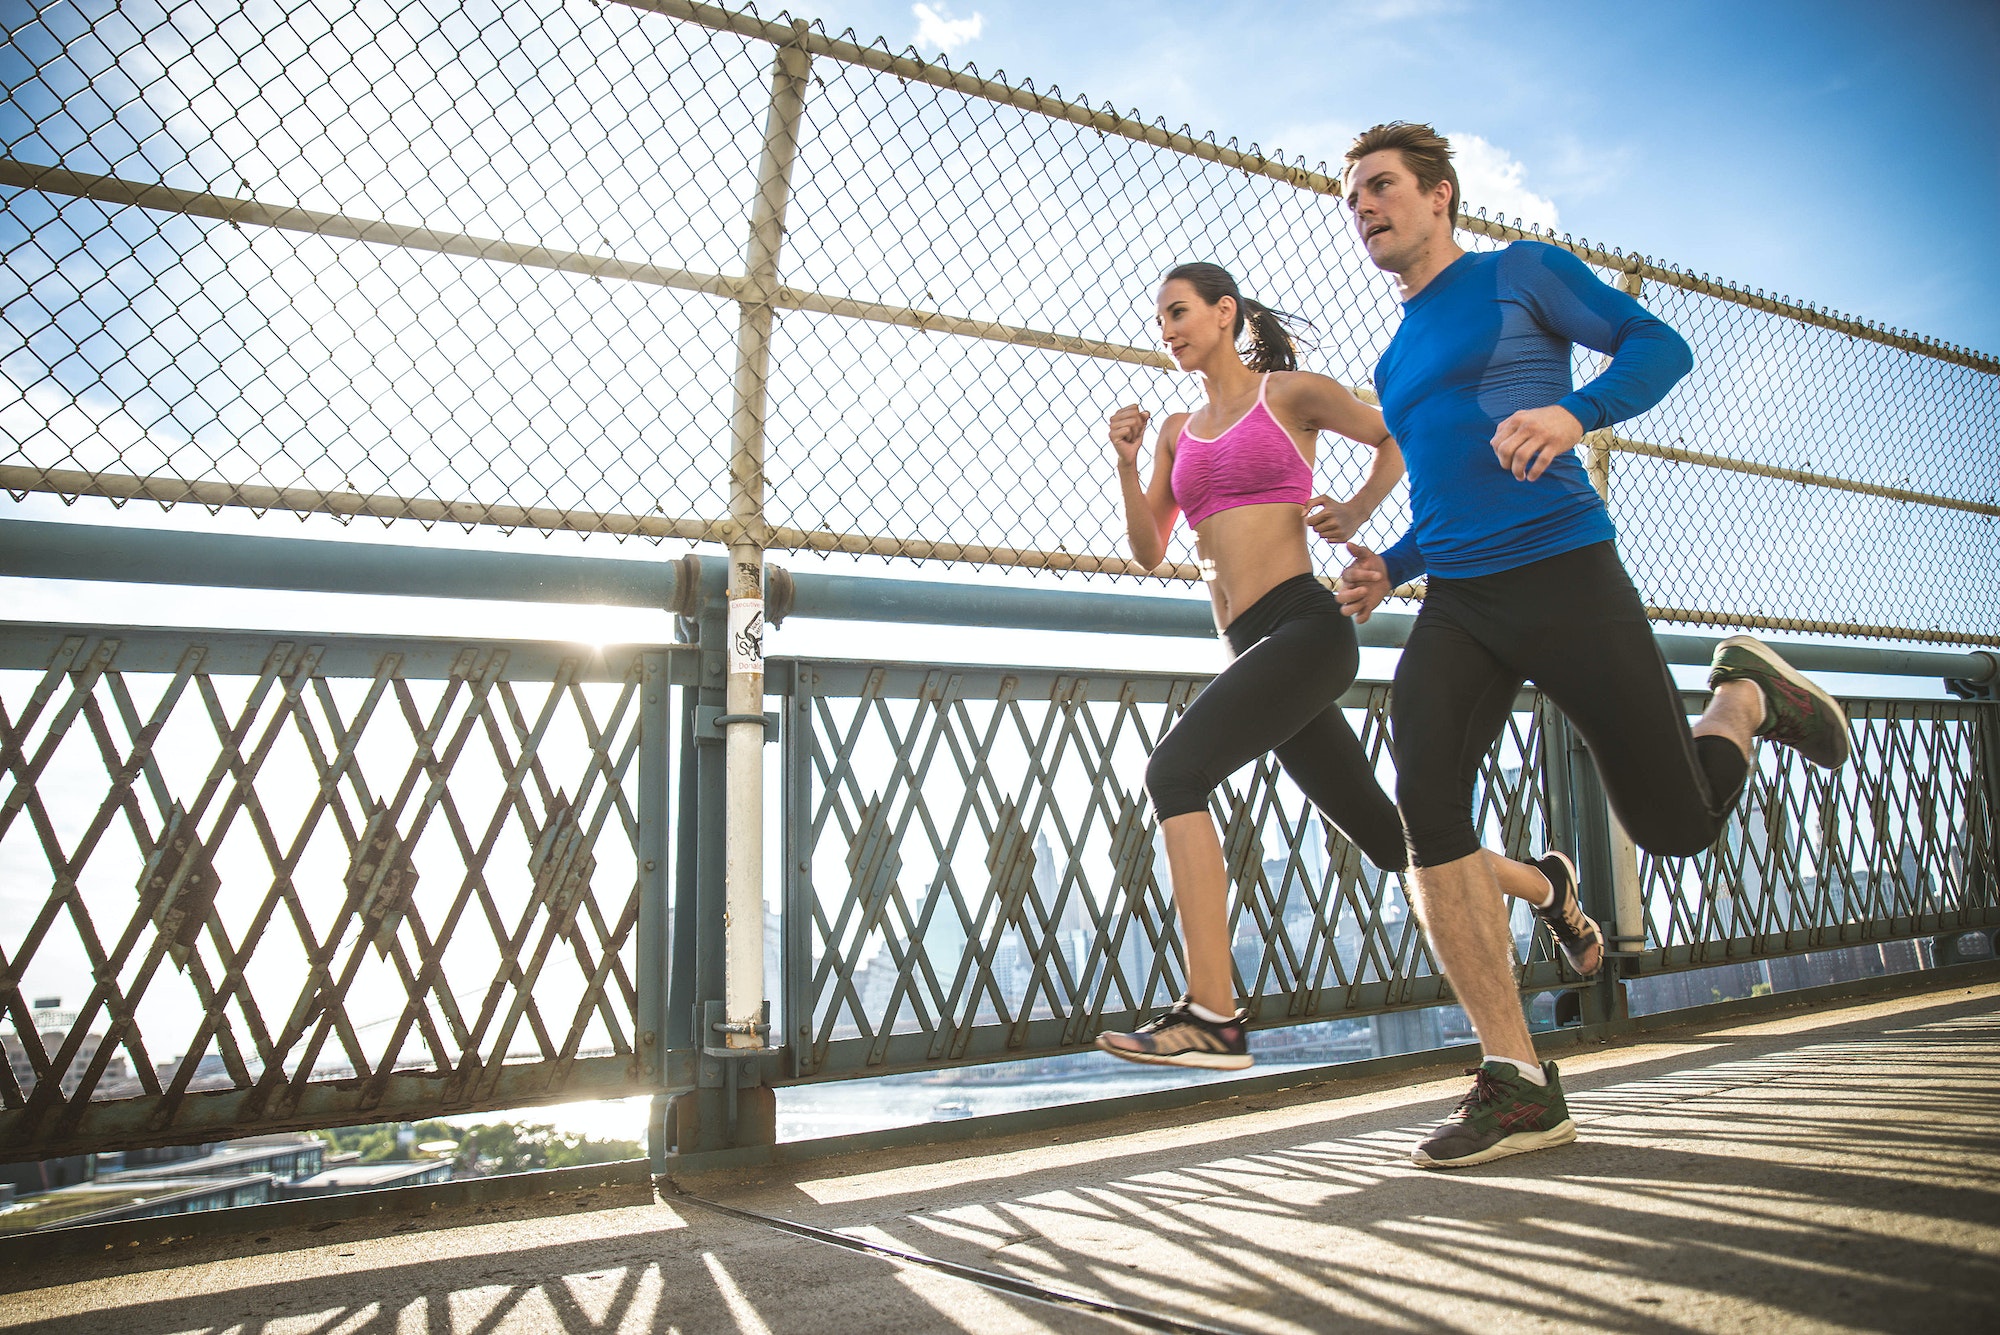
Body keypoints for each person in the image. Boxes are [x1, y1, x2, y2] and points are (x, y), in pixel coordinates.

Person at [1333, 122, 1851, 1168]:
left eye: (1380, 188)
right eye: (1351, 200)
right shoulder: (1391, 359)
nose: (1363, 209)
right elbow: (1447, 501)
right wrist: (1390, 564)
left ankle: (1743, 698)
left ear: (1439, 197)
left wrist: (1572, 413)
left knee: (1673, 827)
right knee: (1422, 797)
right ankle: (1516, 1079)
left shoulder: (1519, 274)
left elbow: (1660, 347)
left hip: (1565, 571)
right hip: (1461, 603)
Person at [1091, 261, 1412, 1071]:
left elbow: (1392, 435)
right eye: (1160, 320)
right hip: (1249, 649)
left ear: (1225, 312)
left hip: (1305, 628)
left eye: (1179, 312)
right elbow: (1147, 550)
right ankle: (1549, 891)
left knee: (1174, 773)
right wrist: (1127, 462)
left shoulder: (1290, 394)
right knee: (1387, 837)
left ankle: (1213, 1011)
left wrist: (1359, 510)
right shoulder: (1174, 430)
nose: (1167, 332)